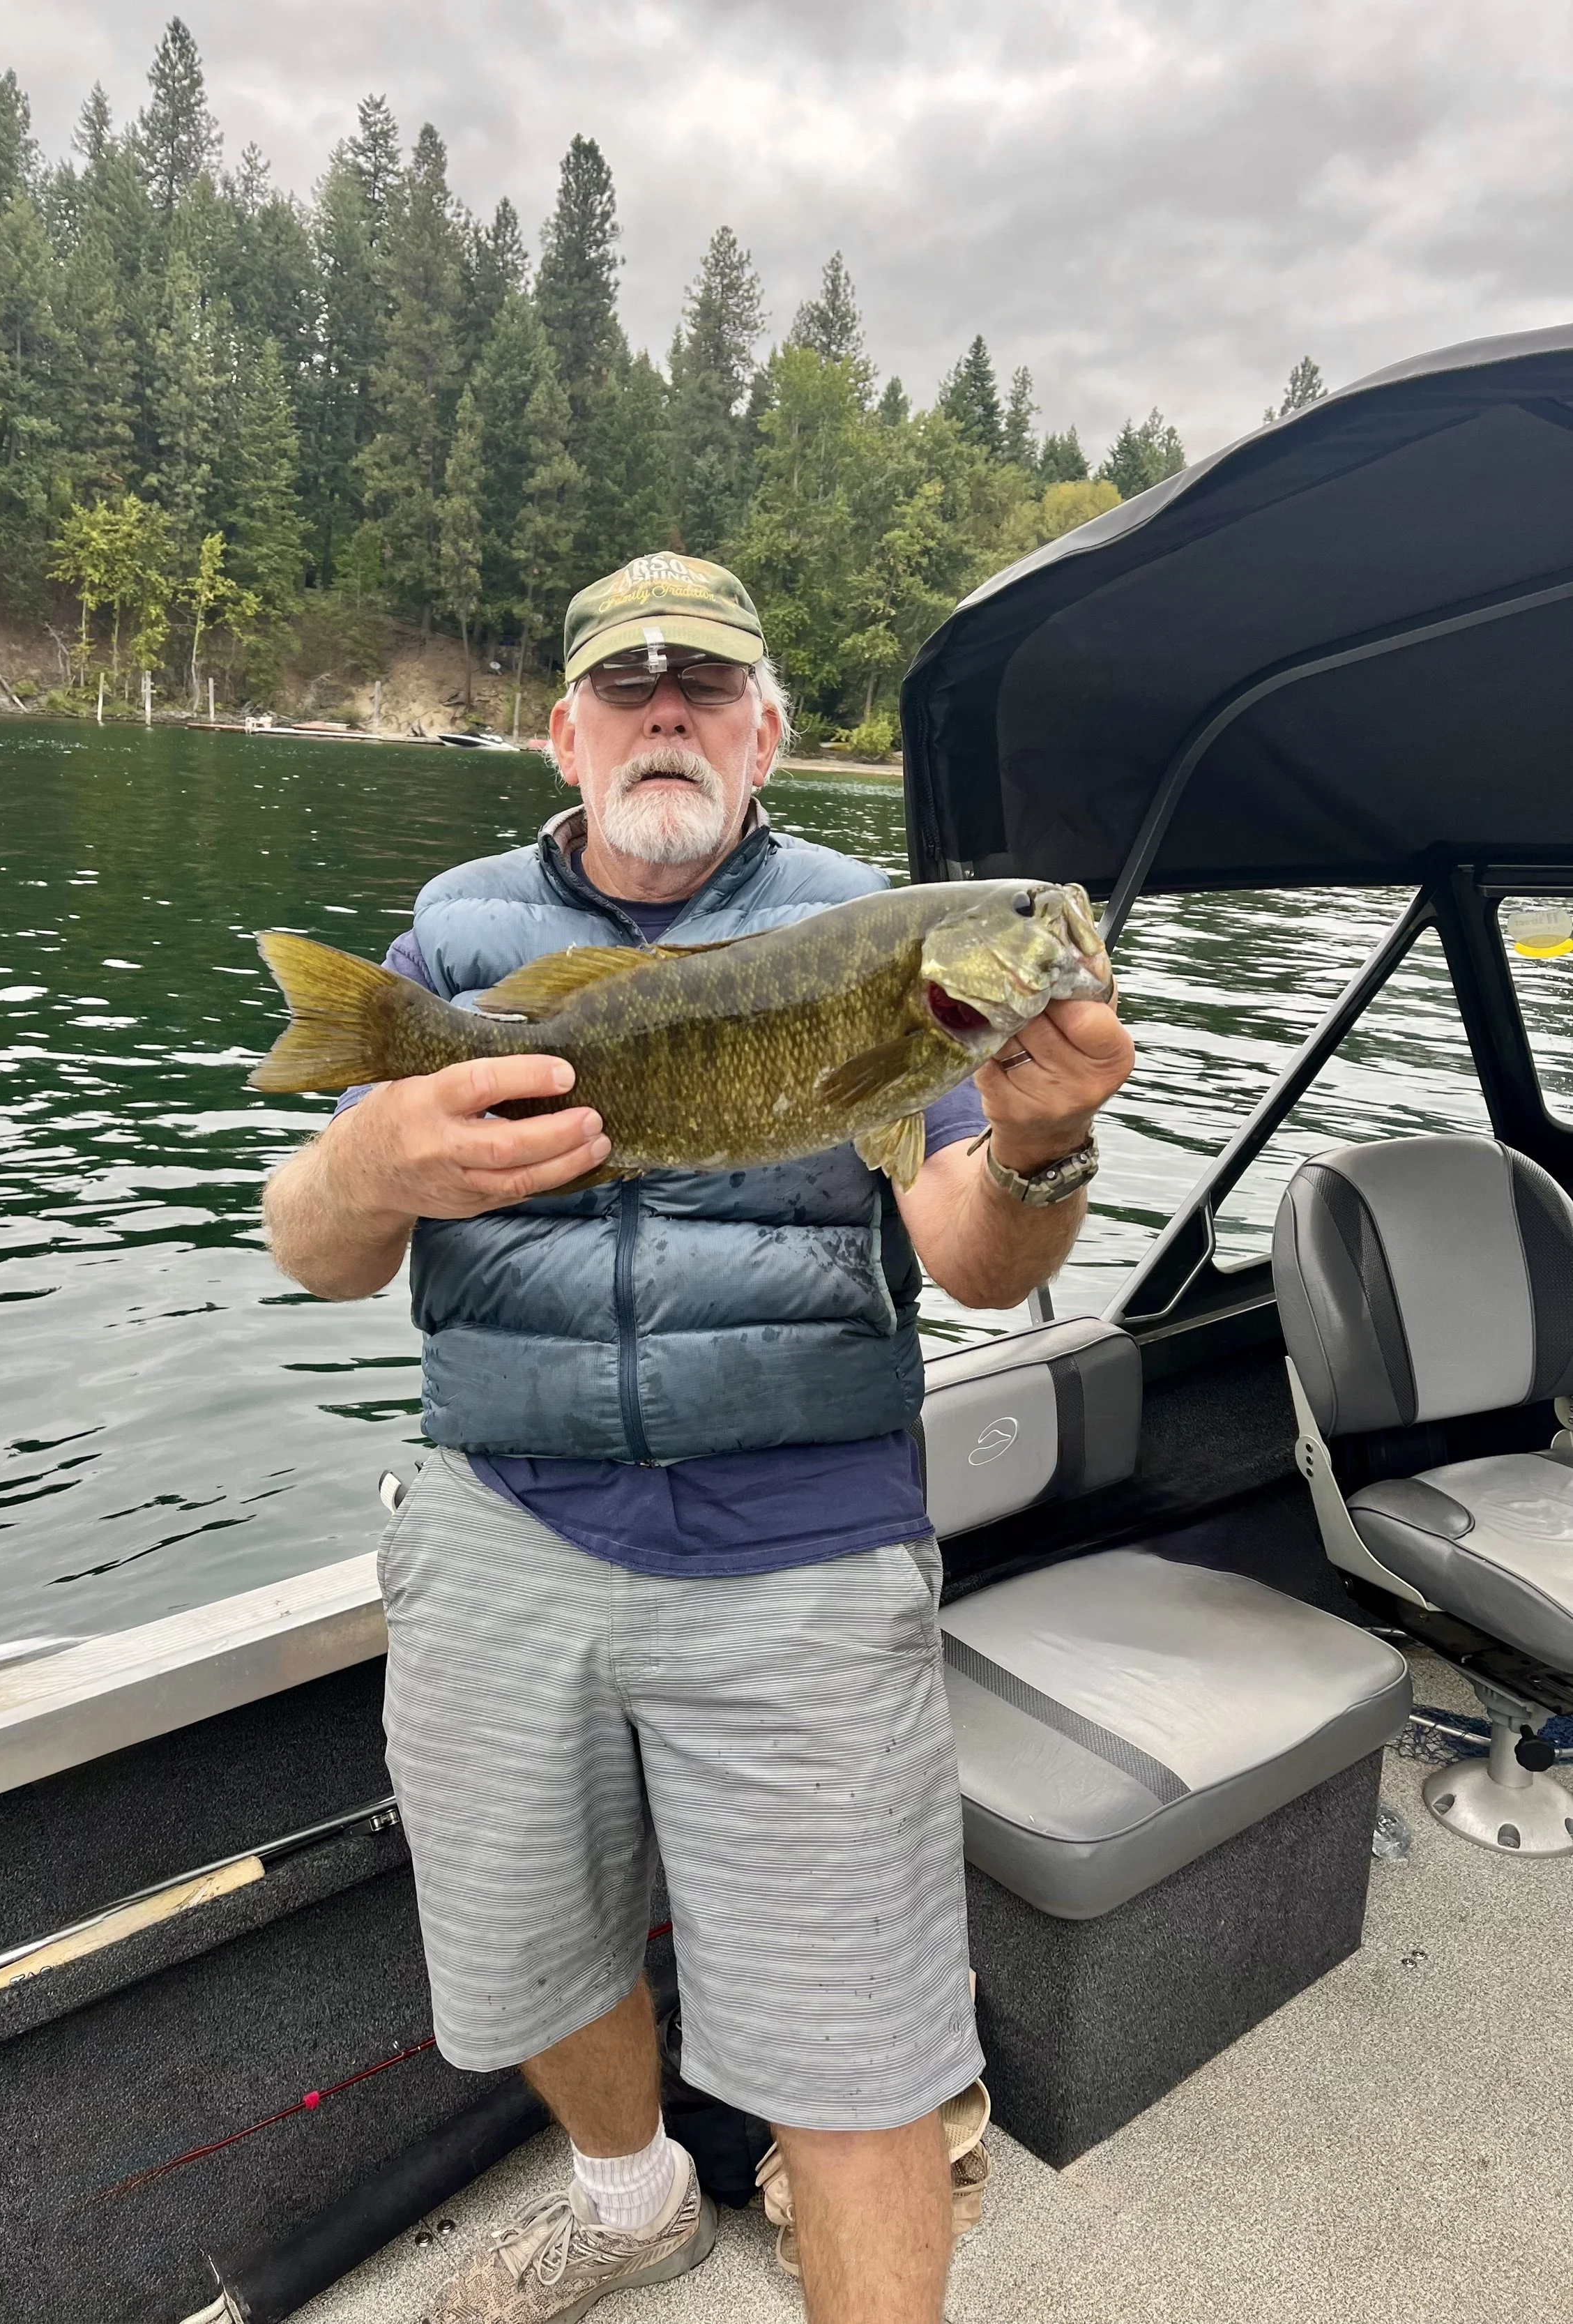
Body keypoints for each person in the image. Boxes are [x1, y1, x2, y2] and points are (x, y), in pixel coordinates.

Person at [263, 554, 1135, 2324]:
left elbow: (974, 1261)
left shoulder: (881, 935)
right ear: (560, 733)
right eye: (629, 685)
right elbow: (317, 1252)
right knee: (527, 1954)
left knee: (861, 2048)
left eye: (707, 687)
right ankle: (632, 2196)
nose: (666, 712)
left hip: (801, 1538)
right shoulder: (451, 942)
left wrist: (1040, 1147)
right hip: (500, 1519)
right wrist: (363, 1159)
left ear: (766, 733)